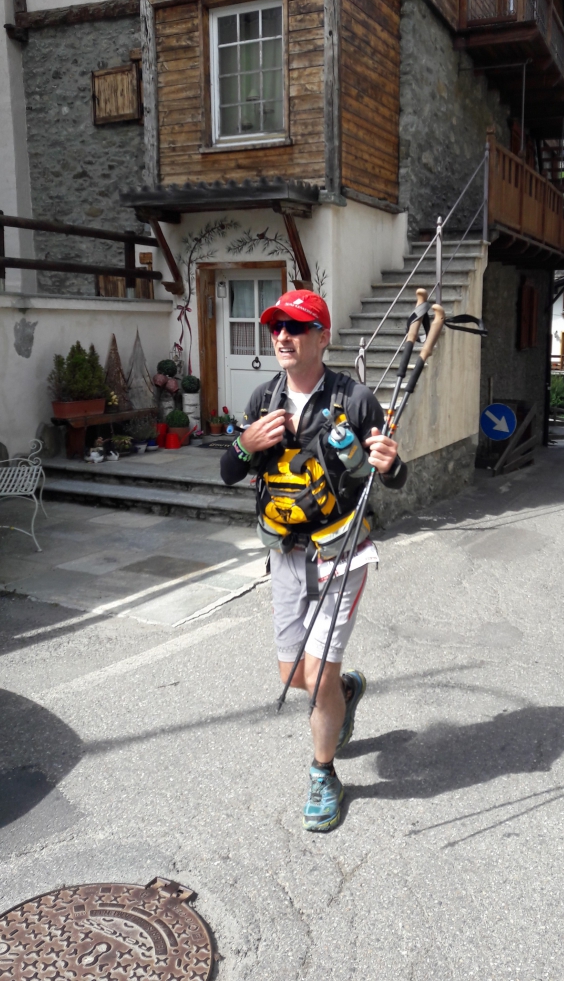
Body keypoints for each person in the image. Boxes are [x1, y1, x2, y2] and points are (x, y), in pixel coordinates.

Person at [220, 290, 407, 832]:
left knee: (318, 670)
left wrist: (392, 465)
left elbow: (391, 476)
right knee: (297, 674)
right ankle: (345, 695)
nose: (283, 335)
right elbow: (228, 473)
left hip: (341, 551)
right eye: (277, 326)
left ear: (323, 337)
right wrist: (244, 444)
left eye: (297, 327)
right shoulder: (261, 399)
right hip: (283, 553)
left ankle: (323, 773)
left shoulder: (356, 400)